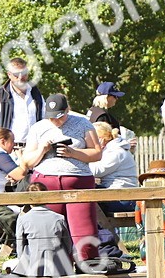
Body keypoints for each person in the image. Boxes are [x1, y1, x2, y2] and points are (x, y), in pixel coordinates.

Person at [21, 93, 103, 262]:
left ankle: (87, 269)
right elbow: (27, 161)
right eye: (52, 118)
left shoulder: (83, 124)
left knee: (83, 230)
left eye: (59, 117)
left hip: (78, 181)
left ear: (67, 110)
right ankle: (52, 269)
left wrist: (73, 153)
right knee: (49, 230)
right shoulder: (38, 127)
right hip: (46, 182)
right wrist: (42, 150)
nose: (56, 122)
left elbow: (96, 153)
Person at [10, 183, 74, 278]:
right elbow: (68, 244)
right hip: (57, 263)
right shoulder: (59, 218)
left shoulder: (23, 219)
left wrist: (22, 260)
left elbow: (20, 244)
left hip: (32, 261)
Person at [89, 121, 138, 214]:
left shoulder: (116, 152)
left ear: (101, 139)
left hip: (122, 200)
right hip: (119, 196)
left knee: (85, 195)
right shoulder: (113, 150)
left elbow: (96, 171)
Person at [0, 58, 44, 146]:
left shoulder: (36, 93)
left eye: (23, 73)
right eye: (16, 74)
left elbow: (44, 120)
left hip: (33, 148)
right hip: (10, 149)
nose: (20, 77)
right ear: (9, 74)